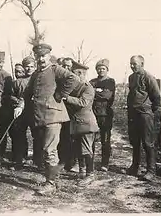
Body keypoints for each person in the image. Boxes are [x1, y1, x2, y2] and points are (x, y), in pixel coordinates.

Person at [23, 43, 77, 195]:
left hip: (53, 115)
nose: (40, 59)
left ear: (48, 56)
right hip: (40, 116)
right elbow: (28, 92)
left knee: (49, 149)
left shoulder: (55, 69)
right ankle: (54, 180)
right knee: (46, 149)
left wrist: (60, 94)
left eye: (43, 56)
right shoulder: (36, 74)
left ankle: (50, 184)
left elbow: (73, 78)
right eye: (38, 56)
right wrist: (22, 102)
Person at [126, 55, 161, 182]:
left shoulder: (148, 77)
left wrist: (151, 110)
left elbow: (156, 95)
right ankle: (134, 167)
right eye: (131, 63)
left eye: (134, 64)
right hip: (133, 114)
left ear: (142, 63)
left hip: (145, 114)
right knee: (135, 141)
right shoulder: (131, 77)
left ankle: (151, 170)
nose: (132, 66)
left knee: (148, 142)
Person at [64, 61, 100, 186]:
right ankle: (82, 171)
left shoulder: (87, 87)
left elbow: (83, 102)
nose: (71, 76)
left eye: (72, 74)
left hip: (86, 124)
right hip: (76, 123)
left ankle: (90, 175)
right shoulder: (74, 86)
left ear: (80, 73)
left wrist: (66, 98)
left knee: (86, 149)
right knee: (78, 149)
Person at [8, 56, 36, 170]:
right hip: (21, 112)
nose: (29, 69)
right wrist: (17, 100)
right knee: (19, 136)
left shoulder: (39, 79)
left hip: (35, 112)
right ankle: (20, 160)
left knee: (37, 137)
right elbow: (10, 95)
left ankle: (38, 162)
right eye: (27, 67)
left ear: (35, 67)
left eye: (31, 66)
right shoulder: (17, 82)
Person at [89, 59, 116, 172]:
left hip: (105, 114)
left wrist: (95, 92)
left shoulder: (110, 81)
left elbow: (106, 95)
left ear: (107, 70)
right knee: (91, 139)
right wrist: (97, 91)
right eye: (99, 68)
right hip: (93, 114)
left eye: (103, 68)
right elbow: (87, 94)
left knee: (105, 140)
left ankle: (105, 163)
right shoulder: (92, 82)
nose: (101, 70)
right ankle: (90, 162)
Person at [0, 50, 14, 165]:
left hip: (3, 108)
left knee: (2, 132)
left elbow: (9, 94)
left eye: (0, 62)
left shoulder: (7, 76)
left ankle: (1, 155)